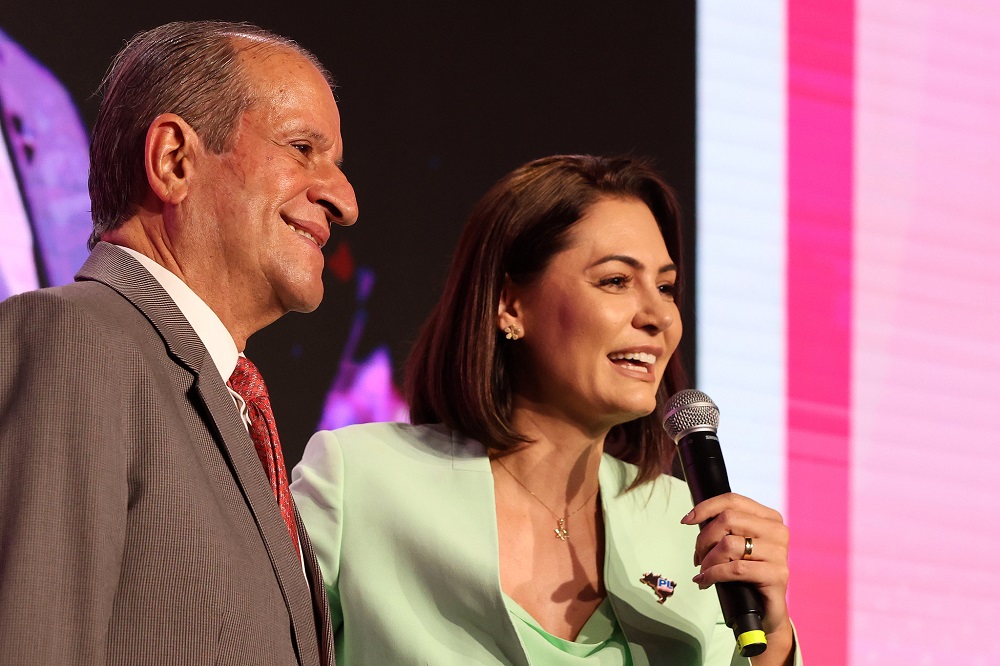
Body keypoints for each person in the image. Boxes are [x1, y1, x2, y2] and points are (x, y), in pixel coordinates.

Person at [292, 155, 802, 665]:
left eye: (665, 287)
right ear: (510, 304)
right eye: (616, 281)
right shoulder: (360, 480)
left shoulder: (686, 525)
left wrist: (774, 641)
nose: (658, 317)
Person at [0, 21, 358, 665]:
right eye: (303, 148)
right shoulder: (77, 340)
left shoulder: (228, 402)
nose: (344, 199)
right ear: (173, 161)